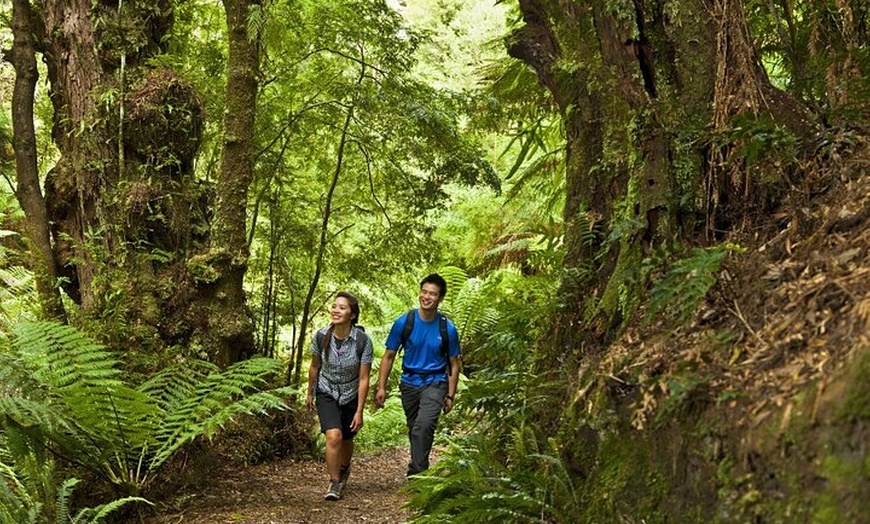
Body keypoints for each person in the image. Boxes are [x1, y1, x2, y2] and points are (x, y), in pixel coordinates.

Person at [375, 273, 461, 476]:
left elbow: (454, 364)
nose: (427, 297)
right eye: (424, 292)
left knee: (424, 426)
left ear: (440, 298)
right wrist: (381, 387)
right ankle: (418, 465)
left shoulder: (447, 328)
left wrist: (450, 395)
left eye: (433, 294)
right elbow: (388, 356)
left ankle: (418, 474)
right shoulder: (405, 322)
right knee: (414, 427)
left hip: (435, 382)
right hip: (409, 383)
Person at [306, 291, 373, 501]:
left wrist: (360, 410)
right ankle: (334, 482)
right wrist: (310, 393)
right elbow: (315, 366)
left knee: (346, 437)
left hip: (351, 393)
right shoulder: (320, 336)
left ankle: (344, 467)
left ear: (352, 314)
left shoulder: (363, 341)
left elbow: (364, 378)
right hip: (326, 391)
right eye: (334, 306)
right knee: (333, 435)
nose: (336, 310)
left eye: (342, 307)